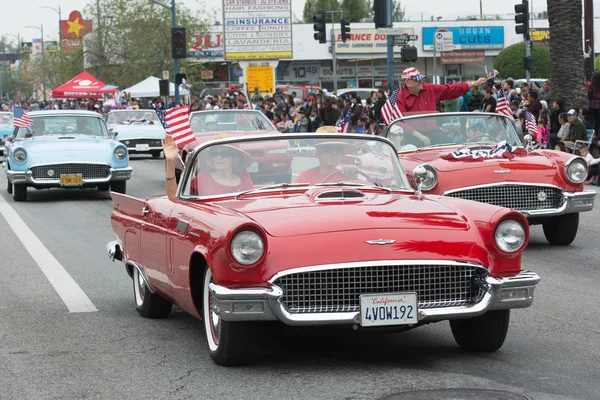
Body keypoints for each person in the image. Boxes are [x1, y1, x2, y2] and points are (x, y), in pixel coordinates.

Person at [394, 68, 488, 145]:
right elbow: (399, 122)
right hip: (412, 135)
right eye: (416, 80)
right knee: (412, 149)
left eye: (421, 79)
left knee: (450, 146)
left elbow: (449, 90)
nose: (420, 81)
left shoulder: (429, 89)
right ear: (407, 83)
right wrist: (417, 134)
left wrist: (473, 84)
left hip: (433, 131)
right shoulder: (399, 97)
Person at [161, 135, 254, 200]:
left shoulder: (246, 184)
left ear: (235, 158)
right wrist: (170, 161)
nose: (218, 157)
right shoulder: (201, 180)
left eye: (225, 154)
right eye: (214, 154)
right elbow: (174, 200)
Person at [294, 126, 359, 184]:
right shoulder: (305, 177)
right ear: (318, 153)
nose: (334, 153)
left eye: (338, 149)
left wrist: (353, 178)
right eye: (328, 149)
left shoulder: (347, 175)